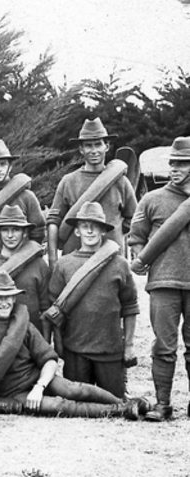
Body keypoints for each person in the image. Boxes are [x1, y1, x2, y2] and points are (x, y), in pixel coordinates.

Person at [0, 269, 146, 419]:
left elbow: (49, 360)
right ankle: (120, 411)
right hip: (12, 393)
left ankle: (124, 403)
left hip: (37, 380)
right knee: (59, 405)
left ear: (14, 298)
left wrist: (40, 386)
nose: (4, 302)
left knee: (76, 389)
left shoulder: (23, 325)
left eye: (8, 297)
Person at [46, 202, 138, 399]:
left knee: (113, 402)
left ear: (103, 230)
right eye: (84, 225)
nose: (89, 230)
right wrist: (59, 346)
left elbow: (130, 307)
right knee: (76, 403)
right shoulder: (64, 264)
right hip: (76, 350)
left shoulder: (120, 265)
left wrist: (128, 345)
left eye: (95, 225)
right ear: (77, 231)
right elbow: (54, 310)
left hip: (110, 350)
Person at [129, 136, 190, 421]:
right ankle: (162, 403)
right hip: (163, 283)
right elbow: (136, 238)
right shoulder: (152, 199)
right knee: (163, 347)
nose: (176, 168)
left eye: (184, 163)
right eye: (174, 162)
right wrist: (141, 260)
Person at [46, 118, 137, 269]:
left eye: (98, 144)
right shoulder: (69, 181)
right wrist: (53, 260)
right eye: (88, 146)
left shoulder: (121, 182)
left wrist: (114, 232)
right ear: (81, 149)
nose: (94, 150)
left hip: (111, 261)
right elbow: (54, 221)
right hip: (74, 261)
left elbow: (133, 218)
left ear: (106, 146)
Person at [0, 205, 50, 331]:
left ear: (25, 233)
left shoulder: (39, 265)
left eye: (16, 230)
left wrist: (44, 341)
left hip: (30, 336)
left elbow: (45, 309)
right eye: (5, 230)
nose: (10, 235)